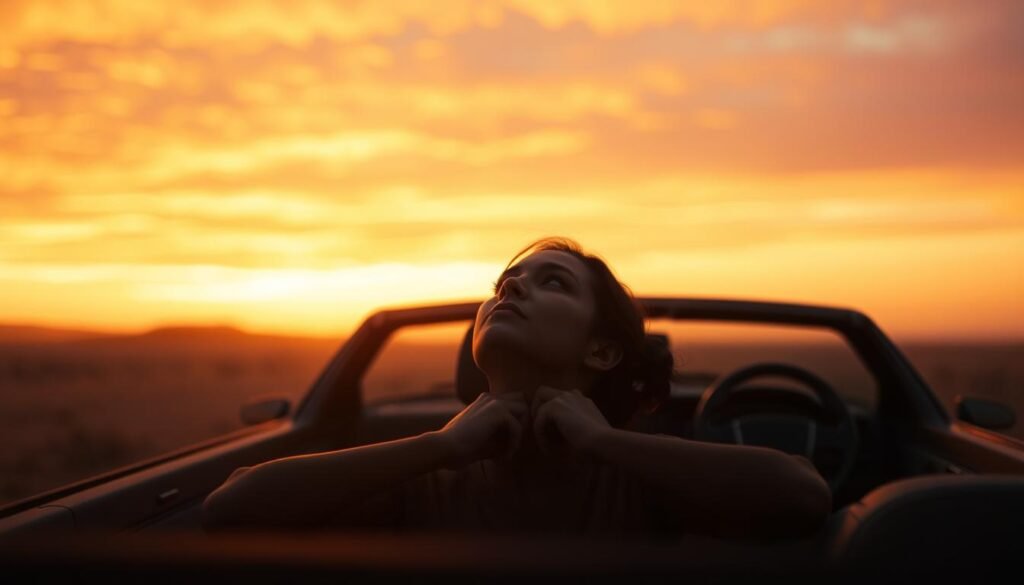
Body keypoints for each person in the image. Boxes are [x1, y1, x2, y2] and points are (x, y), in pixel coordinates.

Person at [202, 237, 831, 539]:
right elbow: (230, 507)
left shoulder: (638, 480)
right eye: (504, 283)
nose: (510, 288)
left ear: (601, 350)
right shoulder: (431, 475)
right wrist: (441, 447)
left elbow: (803, 496)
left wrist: (604, 444)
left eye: (551, 281)